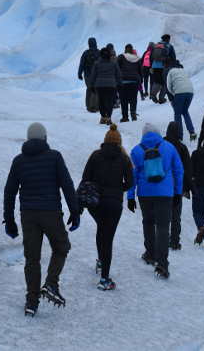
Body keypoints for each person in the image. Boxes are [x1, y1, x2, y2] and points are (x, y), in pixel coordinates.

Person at [3, 123, 81, 317]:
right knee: (61, 247)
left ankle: (31, 302)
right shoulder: (54, 157)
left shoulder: (19, 161)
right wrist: (75, 211)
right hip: (51, 213)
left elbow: (9, 192)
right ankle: (51, 283)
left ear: (28, 139)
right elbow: (67, 184)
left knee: (32, 258)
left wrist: (9, 220)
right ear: (45, 138)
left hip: (28, 215)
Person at [127, 123, 183, 279]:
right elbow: (179, 170)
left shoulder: (137, 150)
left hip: (145, 193)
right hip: (165, 193)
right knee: (163, 227)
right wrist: (177, 192)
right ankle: (162, 263)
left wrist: (130, 196)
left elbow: (132, 175)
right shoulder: (169, 148)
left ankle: (150, 253)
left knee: (148, 222)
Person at [81, 124, 134, 290]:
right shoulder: (124, 159)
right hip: (114, 204)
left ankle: (100, 261)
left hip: (95, 203)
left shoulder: (95, 156)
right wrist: (119, 189)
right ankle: (104, 278)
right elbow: (131, 183)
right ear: (119, 142)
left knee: (101, 229)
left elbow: (85, 178)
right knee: (108, 237)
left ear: (105, 140)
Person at [164, 121, 193, 250]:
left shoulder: (161, 145)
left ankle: (162, 239)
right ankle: (175, 241)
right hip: (177, 187)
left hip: (162, 185)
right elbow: (187, 169)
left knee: (163, 214)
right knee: (176, 216)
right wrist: (187, 188)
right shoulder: (182, 148)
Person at [90, 47, 122, 125]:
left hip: (99, 85)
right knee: (110, 101)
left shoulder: (96, 63)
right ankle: (108, 117)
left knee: (101, 101)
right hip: (111, 85)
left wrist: (91, 85)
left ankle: (103, 116)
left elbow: (93, 75)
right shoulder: (114, 63)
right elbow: (118, 74)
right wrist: (119, 84)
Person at [166, 60, 197, 141]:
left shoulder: (171, 71)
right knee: (185, 112)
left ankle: (179, 136)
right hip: (190, 92)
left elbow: (168, 86)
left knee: (177, 114)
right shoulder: (183, 71)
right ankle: (192, 132)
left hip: (179, 93)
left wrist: (174, 94)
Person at [117, 44, 142, 122]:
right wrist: (140, 81)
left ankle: (125, 117)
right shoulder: (137, 59)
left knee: (123, 100)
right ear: (132, 50)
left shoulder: (121, 57)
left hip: (123, 82)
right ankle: (133, 115)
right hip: (134, 82)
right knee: (133, 99)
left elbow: (117, 68)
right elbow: (140, 71)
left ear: (125, 49)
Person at [150, 35, 176, 104]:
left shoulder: (156, 45)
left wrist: (151, 66)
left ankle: (153, 94)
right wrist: (173, 65)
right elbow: (173, 57)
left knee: (157, 81)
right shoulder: (169, 46)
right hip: (164, 66)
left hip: (155, 66)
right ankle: (161, 98)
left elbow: (151, 56)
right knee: (165, 82)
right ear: (168, 39)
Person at [78, 37, 101, 113]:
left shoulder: (86, 53)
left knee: (89, 89)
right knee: (97, 90)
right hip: (97, 75)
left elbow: (82, 64)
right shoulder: (99, 52)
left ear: (89, 44)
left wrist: (79, 74)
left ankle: (89, 106)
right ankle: (97, 106)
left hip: (88, 75)